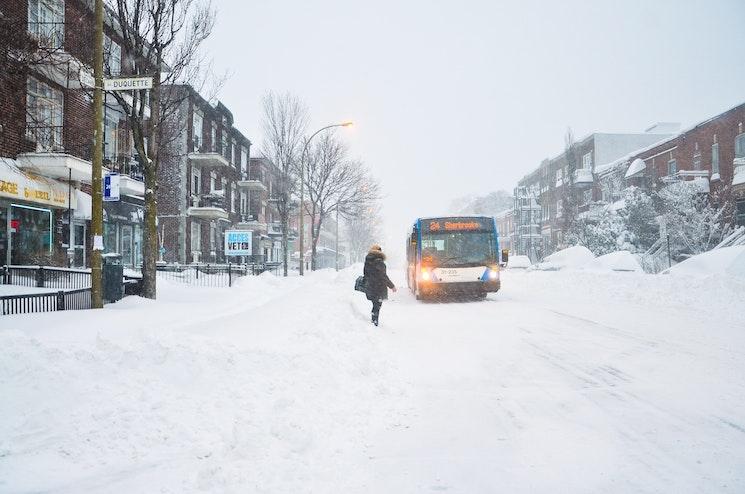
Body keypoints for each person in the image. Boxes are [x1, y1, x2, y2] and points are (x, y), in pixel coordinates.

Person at [363, 244, 396, 326]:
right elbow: (383, 276)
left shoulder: (367, 261)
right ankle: (374, 322)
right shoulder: (379, 262)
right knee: (377, 305)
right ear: (380, 252)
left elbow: (365, 274)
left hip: (370, 286)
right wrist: (392, 286)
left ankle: (373, 320)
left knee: (375, 304)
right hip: (378, 287)